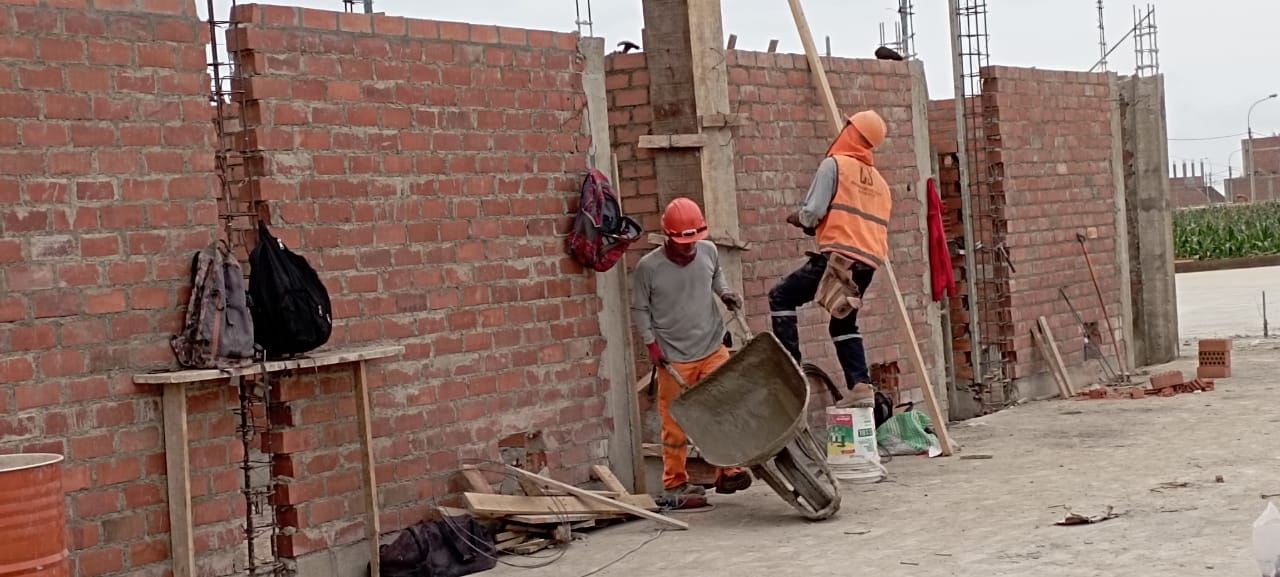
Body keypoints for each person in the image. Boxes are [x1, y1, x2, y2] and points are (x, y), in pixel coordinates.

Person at [632, 197, 754, 508]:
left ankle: (729, 470)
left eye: (693, 241)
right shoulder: (649, 268)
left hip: (713, 347)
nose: (689, 248)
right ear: (668, 236)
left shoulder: (709, 252)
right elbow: (641, 310)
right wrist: (651, 345)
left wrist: (726, 294)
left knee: (723, 408)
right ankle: (676, 482)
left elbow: (716, 278)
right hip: (674, 357)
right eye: (682, 242)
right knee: (675, 421)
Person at [769, 110, 892, 408]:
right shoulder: (880, 184)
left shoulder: (834, 165)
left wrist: (800, 220)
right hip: (867, 266)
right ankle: (860, 385)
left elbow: (813, 212)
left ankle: (791, 372)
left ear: (851, 131)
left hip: (838, 259)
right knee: (843, 323)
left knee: (781, 297)